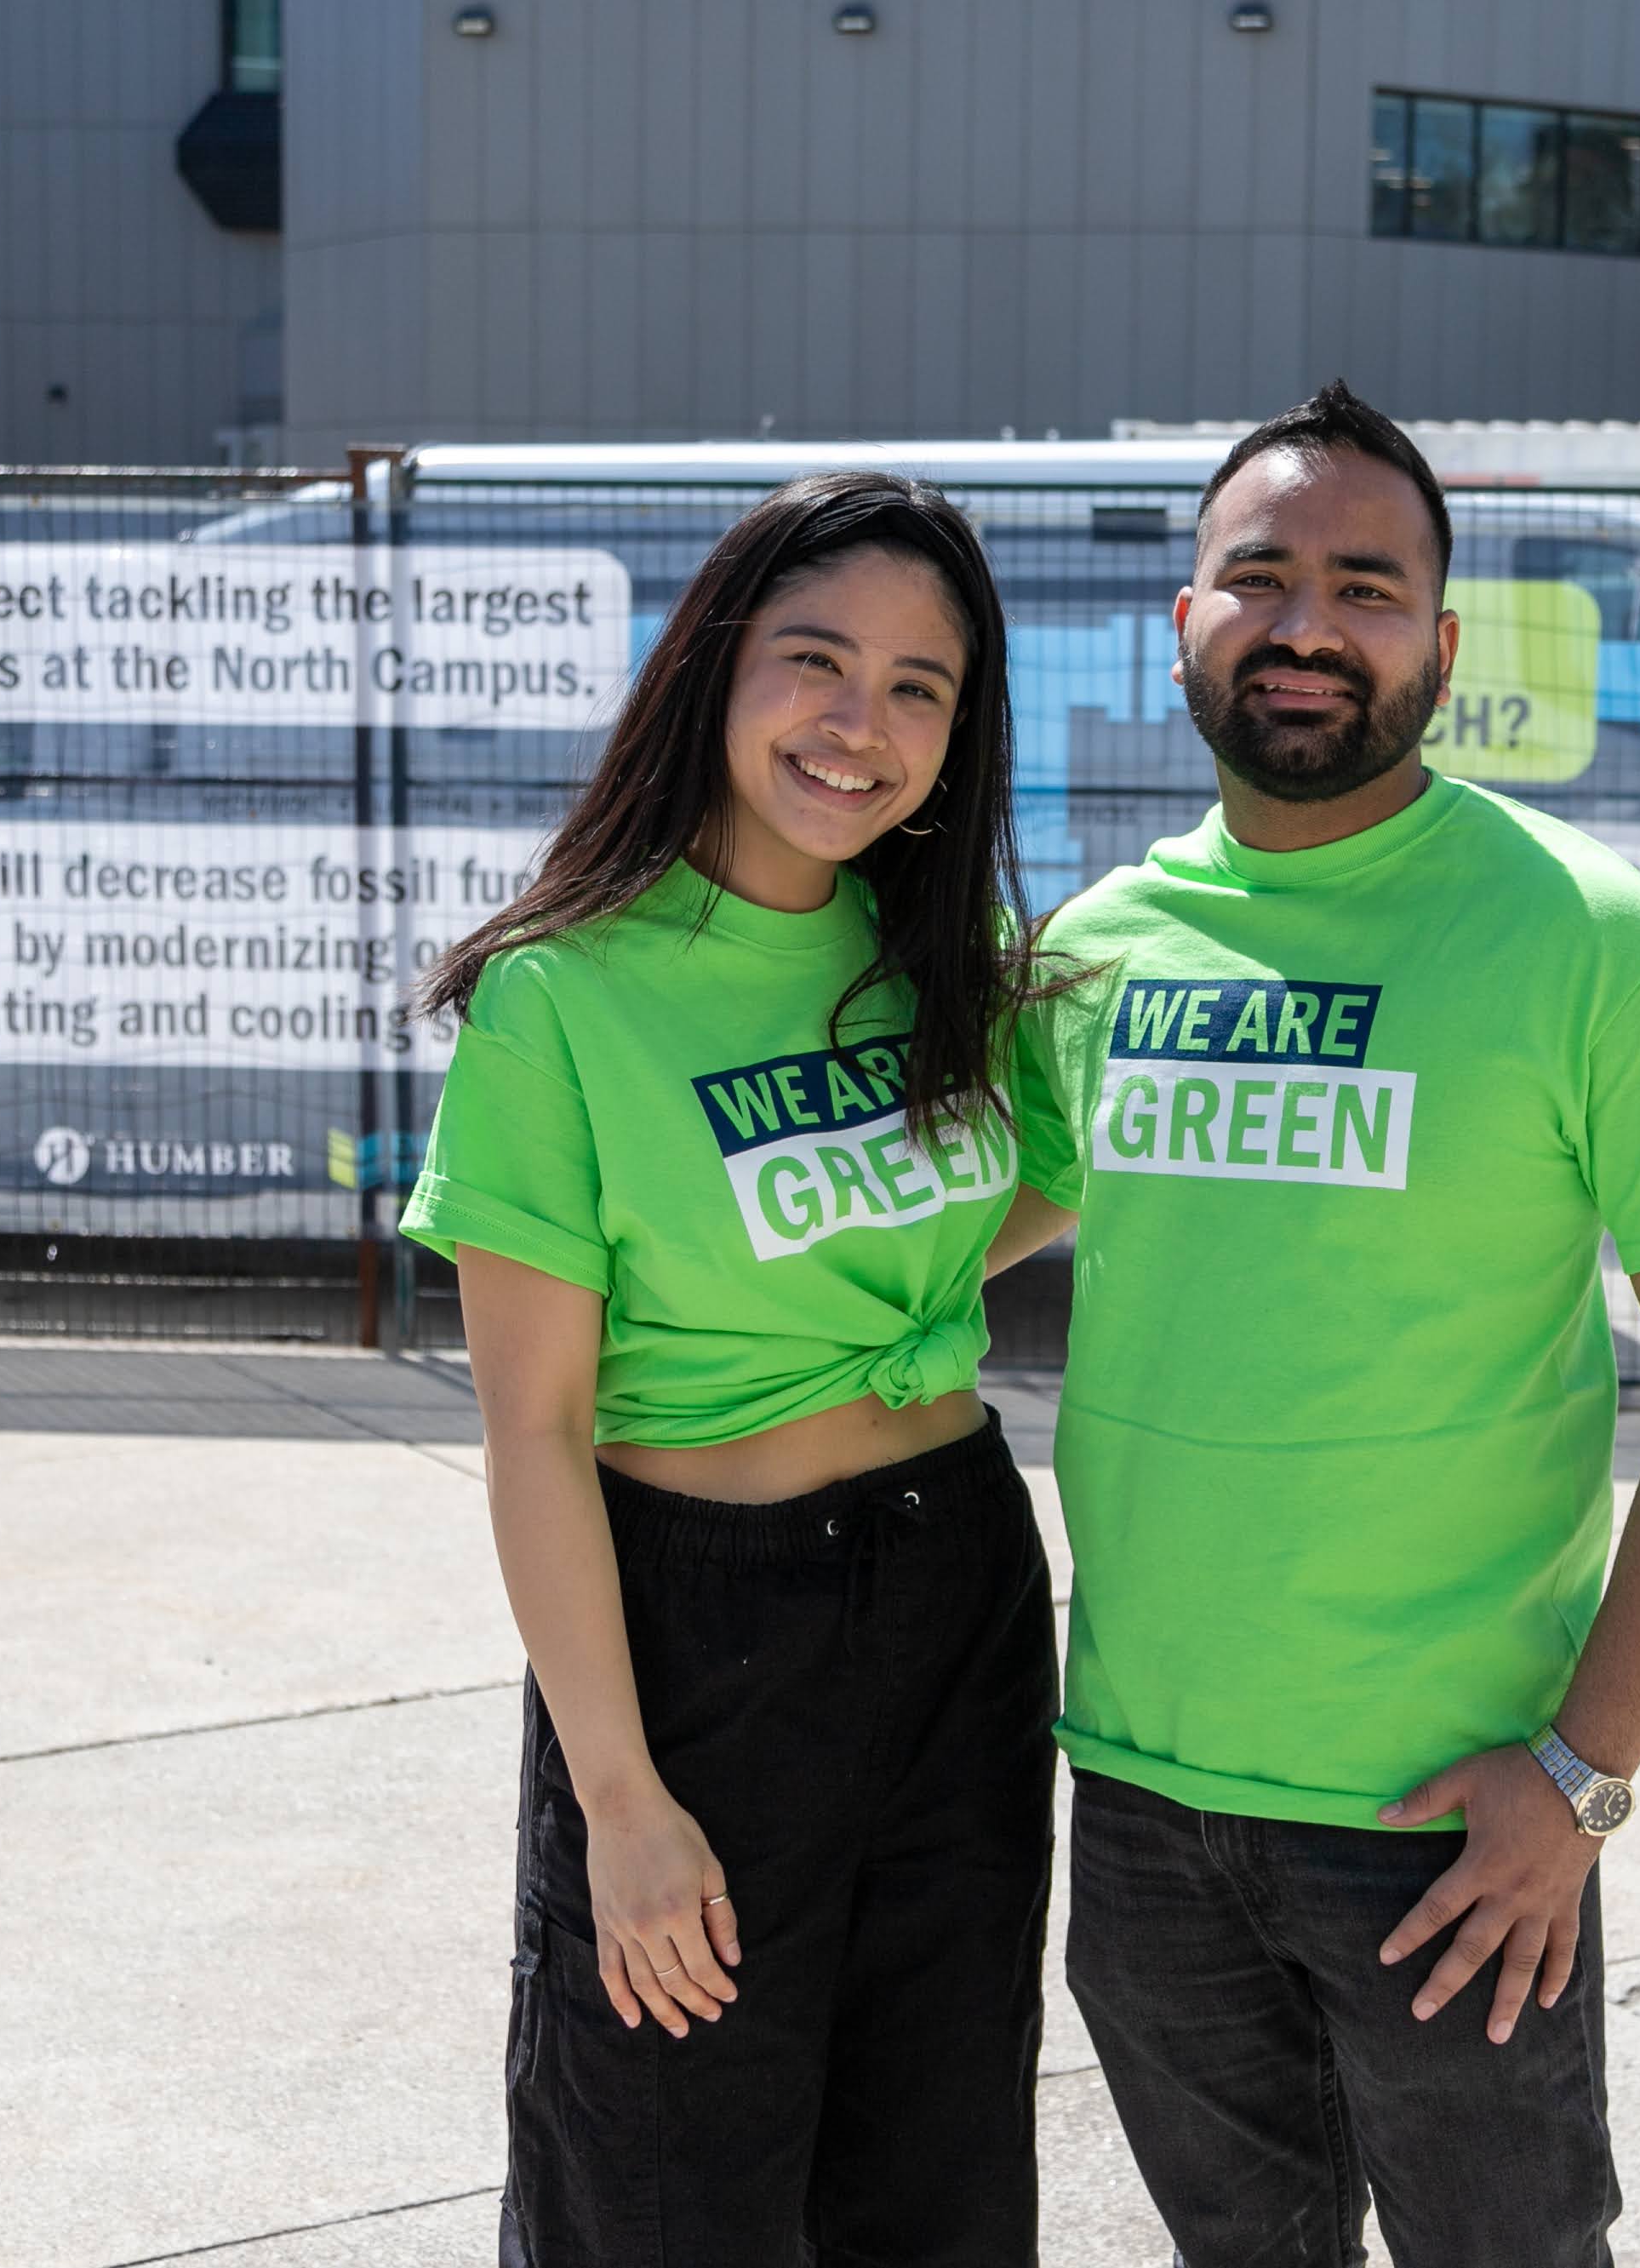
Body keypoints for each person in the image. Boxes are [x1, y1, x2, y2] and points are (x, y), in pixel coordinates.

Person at [1000, 382, 1640, 2264]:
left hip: (1455, 1821)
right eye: (1260, 577)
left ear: (1441, 646)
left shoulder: (1586, 938)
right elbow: (982, 1218)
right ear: (1185, 622)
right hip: (1137, 1791)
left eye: (1365, 587)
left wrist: (1579, 1777)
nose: (1308, 624)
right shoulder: (1104, 945)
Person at [399, 471, 1064, 2265]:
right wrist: (618, 1798)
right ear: (714, 664)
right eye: (818, 661)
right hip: (699, 1636)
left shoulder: (947, 974)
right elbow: (533, 1427)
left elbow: (1010, 1201)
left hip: (961, 1591)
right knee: (664, 2191)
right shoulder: (565, 997)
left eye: (921, 686)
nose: (862, 725)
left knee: (936, 2181)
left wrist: (851, 1312)